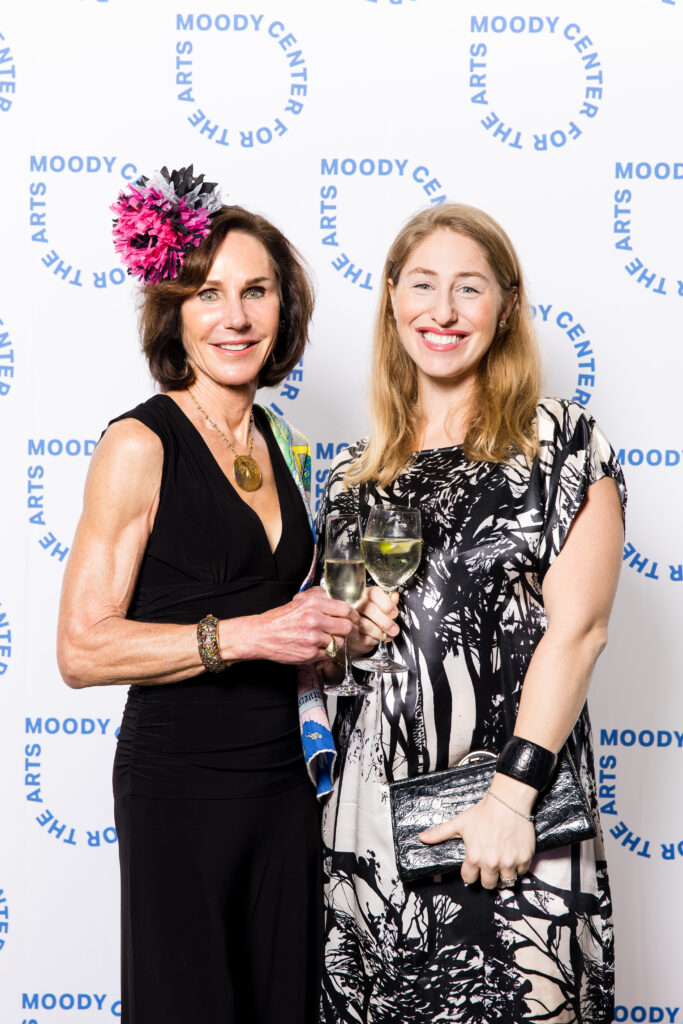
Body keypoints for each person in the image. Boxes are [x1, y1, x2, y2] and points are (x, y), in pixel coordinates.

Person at [57, 166, 357, 1024]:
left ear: (282, 309)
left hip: (289, 787)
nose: (235, 317)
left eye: (256, 291)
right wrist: (249, 635)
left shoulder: (288, 447)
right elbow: (81, 650)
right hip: (179, 785)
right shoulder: (139, 444)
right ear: (175, 314)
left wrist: (343, 634)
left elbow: (295, 624)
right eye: (210, 293)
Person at [316, 203, 625, 1024]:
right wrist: (344, 637)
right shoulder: (351, 477)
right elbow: (335, 661)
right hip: (372, 835)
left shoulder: (558, 446)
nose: (441, 311)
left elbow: (580, 629)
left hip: (505, 820)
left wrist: (509, 798)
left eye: (468, 288)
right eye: (421, 285)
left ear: (507, 305)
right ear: (389, 299)